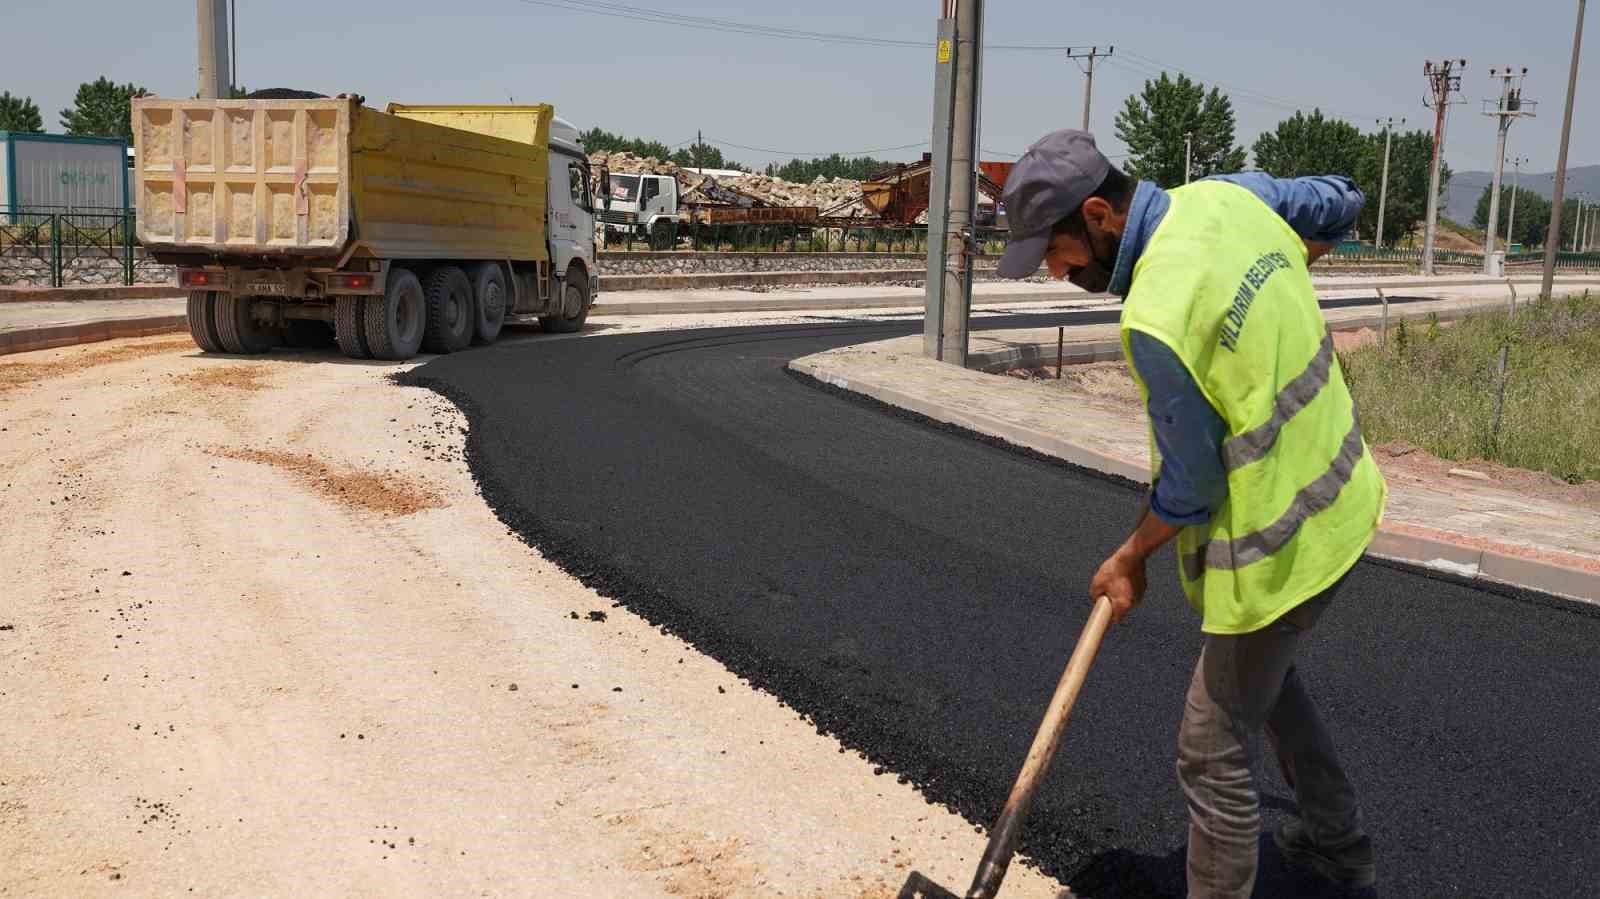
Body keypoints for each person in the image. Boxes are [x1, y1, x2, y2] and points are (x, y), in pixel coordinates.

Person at [996, 130, 1386, 898]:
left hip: (1279, 548)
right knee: (1265, 688)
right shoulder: (1229, 197)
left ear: (1101, 214)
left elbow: (1193, 484)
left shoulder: (1155, 316)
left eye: (1056, 249)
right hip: (1345, 498)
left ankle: (1323, 855)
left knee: (1209, 749)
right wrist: (1293, 257)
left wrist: (1128, 557)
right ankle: (1336, 845)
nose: (1053, 270)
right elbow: (1342, 198)